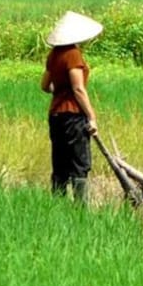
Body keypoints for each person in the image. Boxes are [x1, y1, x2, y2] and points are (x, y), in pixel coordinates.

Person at [40, 11, 103, 205]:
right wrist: (91, 117)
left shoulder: (54, 55)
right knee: (79, 164)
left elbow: (45, 85)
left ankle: (57, 205)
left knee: (59, 164)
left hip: (56, 115)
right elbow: (78, 89)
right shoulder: (73, 55)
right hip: (73, 116)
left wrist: (59, 90)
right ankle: (80, 210)